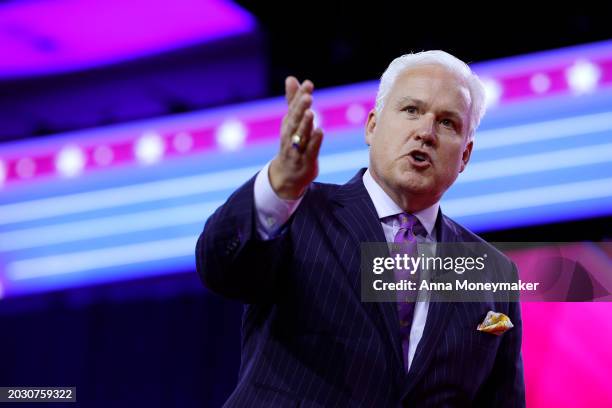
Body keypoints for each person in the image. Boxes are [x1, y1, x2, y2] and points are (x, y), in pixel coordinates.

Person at [196, 50, 525, 407]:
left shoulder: (493, 272)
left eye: (447, 122)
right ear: (372, 126)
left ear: (465, 156)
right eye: (411, 110)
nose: (426, 132)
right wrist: (279, 187)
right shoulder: (301, 212)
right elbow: (219, 267)